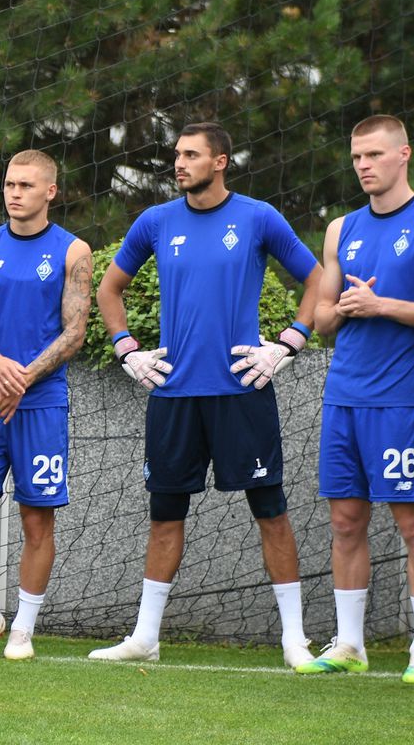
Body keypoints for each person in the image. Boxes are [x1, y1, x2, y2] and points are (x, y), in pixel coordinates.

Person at [89, 122, 321, 668]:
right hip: (173, 394)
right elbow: (108, 288)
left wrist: (288, 344)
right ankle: (146, 638)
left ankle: (294, 640)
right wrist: (128, 351)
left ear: (221, 161)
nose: (179, 163)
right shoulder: (155, 221)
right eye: (176, 154)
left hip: (243, 388)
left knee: (271, 511)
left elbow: (317, 279)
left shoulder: (259, 217)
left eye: (191, 154)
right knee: (165, 515)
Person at [298, 115, 414, 683]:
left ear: (403, 155)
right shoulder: (340, 229)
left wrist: (386, 307)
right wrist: (344, 309)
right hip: (344, 396)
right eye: (356, 158)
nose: (364, 166)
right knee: (346, 520)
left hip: (403, 401)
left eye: (374, 155)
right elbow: (323, 316)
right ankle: (350, 643)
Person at [0, 150, 91, 660]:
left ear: (50, 191)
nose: (15, 193)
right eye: (10, 184)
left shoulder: (74, 251)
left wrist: (25, 378)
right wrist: (0, 368)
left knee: (37, 518)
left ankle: (24, 628)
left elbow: (74, 333)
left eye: (26, 186)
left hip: (42, 400)